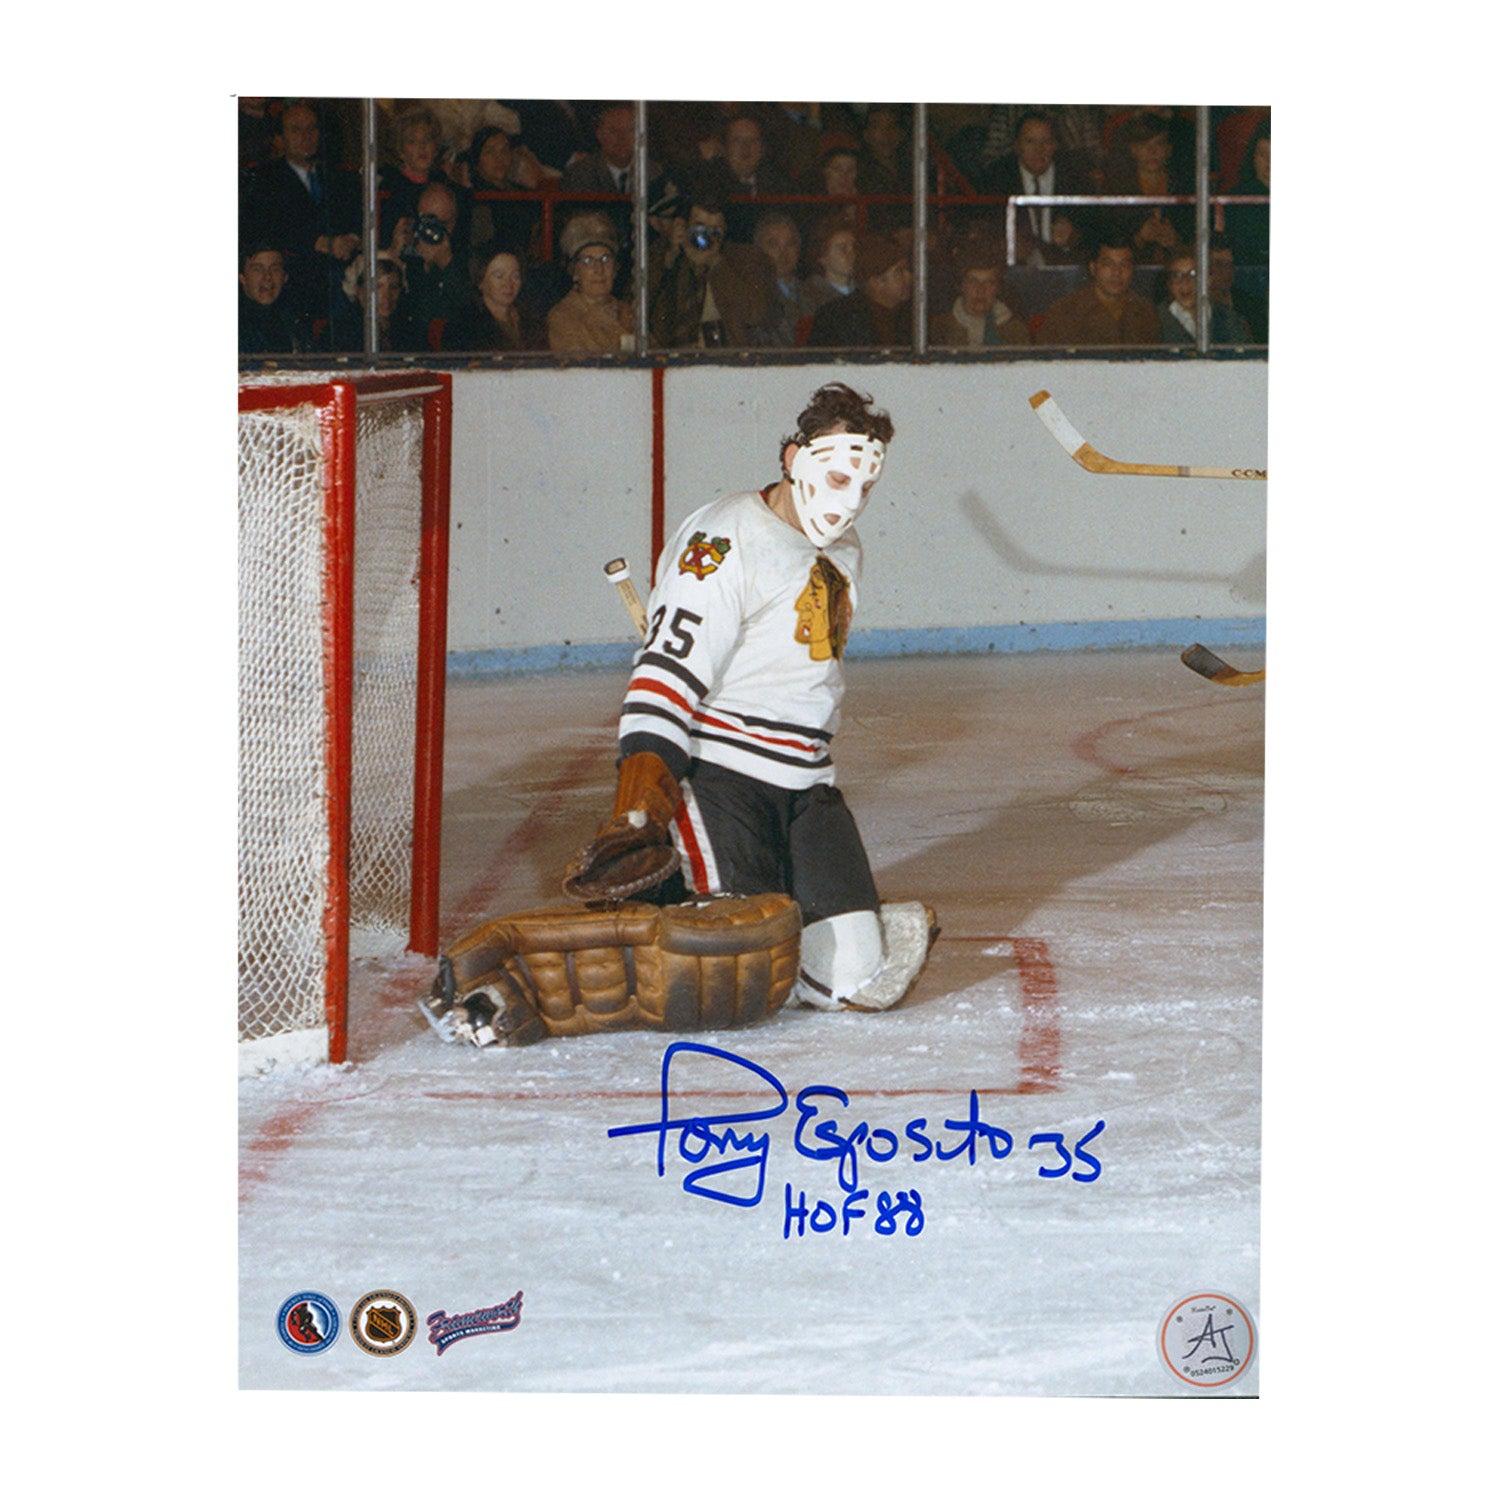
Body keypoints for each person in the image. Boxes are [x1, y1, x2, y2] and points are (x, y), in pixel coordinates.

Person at [563, 381, 934, 1014]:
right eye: (838, 479)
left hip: (807, 782)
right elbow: (663, 678)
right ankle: (667, 897)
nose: (850, 502)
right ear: (793, 459)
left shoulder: (844, 551)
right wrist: (639, 807)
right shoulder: (721, 541)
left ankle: (757, 904)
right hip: (720, 777)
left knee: (849, 981)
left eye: (866, 487)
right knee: (734, 970)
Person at [646, 196, 777, 348]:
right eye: (699, 228)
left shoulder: (744, 260)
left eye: (715, 230)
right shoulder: (664, 253)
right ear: (683, 226)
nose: (706, 237)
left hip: (725, 357)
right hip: (671, 357)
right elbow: (637, 307)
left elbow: (756, 314)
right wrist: (669, 256)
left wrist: (716, 262)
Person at [976, 111, 1095, 267]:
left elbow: (1094, 228)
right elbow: (984, 230)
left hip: (1065, 267)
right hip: (1012, 268)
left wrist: (1074, 236)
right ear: (1016, 146)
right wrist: (1007, 243)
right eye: (1030, 142)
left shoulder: (1076, 177)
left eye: (1046, 141)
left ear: (1055, 145)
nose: (1039, 150)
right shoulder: (996, 178)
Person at [1101, 112, 1193, 265]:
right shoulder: (1116, 189)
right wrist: (1139, 238)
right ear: (1133, 150)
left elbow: (1197, 236)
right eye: (1144, 145)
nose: (1152, 152)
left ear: (1168, 149)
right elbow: (1105, 239)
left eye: (1158, 144)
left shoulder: (1185, 187)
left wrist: (1177, 241)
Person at [1035, 234, 1160, 346]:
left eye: (1124, 265)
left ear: (1132, 270)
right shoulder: (1064, 313)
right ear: (1093, 268)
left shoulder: (1146, 312)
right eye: (1108, 264)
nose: (1117, 272)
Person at [806, 232, 912, 348]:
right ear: (875, 282)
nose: (909, 277)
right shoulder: (837, 318)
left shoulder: (912, 316)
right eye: (899, 271)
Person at [547, 212, 634, 352]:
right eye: (588, 261)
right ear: (575, 271)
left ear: (615, 268)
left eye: (606, 259)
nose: (599, 269)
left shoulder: (628, 312)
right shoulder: (563, 316)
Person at [392, 182, 471, 336]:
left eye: (441, 223)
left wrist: (446, 263)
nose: (432, 230)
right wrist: (394, 255)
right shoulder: (405, 254)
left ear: (453, 223)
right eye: (427, 221)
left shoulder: (466, 259)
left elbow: (470, 308)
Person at [442, 243, 547, 352]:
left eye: (515, 276)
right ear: (480, 281)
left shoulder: (532, 320)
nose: (508, 284)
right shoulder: (463, 326)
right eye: (499, 276)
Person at [929, 235, 1029, 346]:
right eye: (972, 282)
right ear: (961, 286)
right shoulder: (941, 329)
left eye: (989, 282)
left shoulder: (1015, 331)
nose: (981, 290)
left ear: (998, 287)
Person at [1157, 248, 1253, 346]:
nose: (1185, 282)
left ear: (1208, 279)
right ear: (1169, 284)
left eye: (1193, 274)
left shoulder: (1228, 318)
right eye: (1177, 276)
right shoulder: (1155, 320)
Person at [328, 253, 422, 352]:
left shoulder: (409, 330)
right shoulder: (340, 332)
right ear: (359, 291)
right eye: (377, 287)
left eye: (394, 287)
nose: (387, 296)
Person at [752, 210, 815, 346]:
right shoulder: (752, 297)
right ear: (759, 251)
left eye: (790, 244)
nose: (783, 253)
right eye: (774, 244)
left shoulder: (815, 293)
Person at [238, 243, 309, 354]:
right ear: (242, 277)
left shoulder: (295, 322)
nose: (268, 277)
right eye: (258, 270)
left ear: (285, 277)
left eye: (275, 269)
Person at [800, 216, 858, 320]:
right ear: (822, 256)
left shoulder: (864, 290)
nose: (851, 255)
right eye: (842, 248)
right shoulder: (810, 296)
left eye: (854, 247)